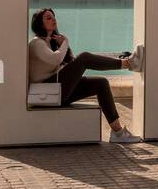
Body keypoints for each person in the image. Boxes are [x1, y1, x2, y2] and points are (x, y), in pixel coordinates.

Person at [29, 8, 143, 143]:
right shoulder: (36, 43)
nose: (54, 19)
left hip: (57, 91)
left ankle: (117, 133)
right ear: (39, 23)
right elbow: (56, 59)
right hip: (45, 94)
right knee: (84, 58)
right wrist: (65, 42)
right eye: (48, 18)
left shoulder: (52, 42)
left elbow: (65, 64)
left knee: (101, 83)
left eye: (54, 17)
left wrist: (63, 48)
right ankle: (128, 63)